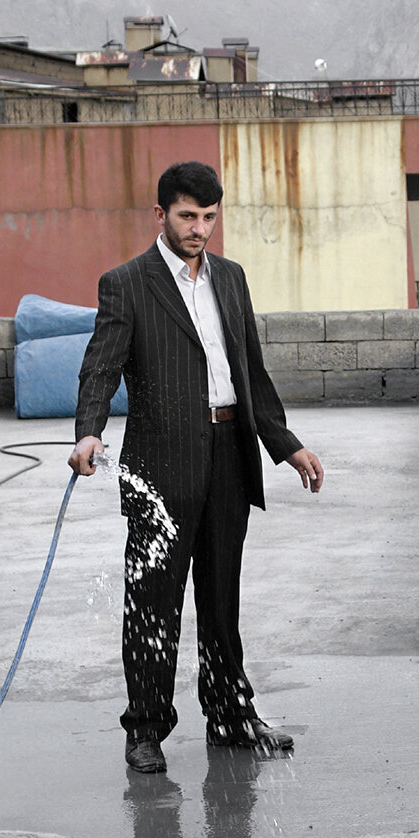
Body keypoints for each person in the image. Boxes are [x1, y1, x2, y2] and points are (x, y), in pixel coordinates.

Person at [73, 160, 323, 773]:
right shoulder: (126, 284)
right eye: (188, 216)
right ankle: (146, 730)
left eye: (210, 217)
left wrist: (284, 443)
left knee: (220, 601)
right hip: (159, 468)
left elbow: (250, 373)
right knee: (153, 603)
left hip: (227, 459)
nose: (200, 228)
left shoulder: (231, 280)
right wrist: (88, 433)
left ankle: (231, 717)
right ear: (161, 215)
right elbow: (100, 366)